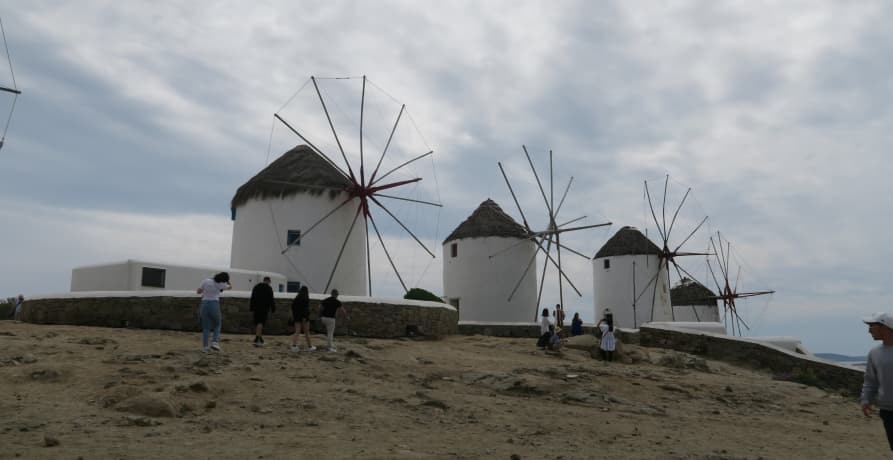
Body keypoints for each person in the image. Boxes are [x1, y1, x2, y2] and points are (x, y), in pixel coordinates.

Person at [860, 312, 893, 450]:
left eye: (871, 326)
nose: (869, 330)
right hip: (887, 410)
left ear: (884, 327)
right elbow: (870, 381)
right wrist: (866, 400)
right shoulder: (874, 353)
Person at [196, 272, 231, 353]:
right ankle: (215, 342)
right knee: (217, 323)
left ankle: (205, 347)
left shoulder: (206, 280)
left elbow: (198, 291)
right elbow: (230, 287)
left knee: (206, 327)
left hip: (204, 304)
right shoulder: (221, 284)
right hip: (214, 304)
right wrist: (228, 281)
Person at [249, 276, 275, 347]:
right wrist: (273, 308)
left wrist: (251, 308)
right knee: (261, 323)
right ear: (268, 281)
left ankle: (259, 337)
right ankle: (257, 338)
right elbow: (271, 299)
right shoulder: (269, 288)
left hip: (256, 308)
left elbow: (252, 297)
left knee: (257, 322)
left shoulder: (256, 287)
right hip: (264, 308)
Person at [290, 286, 316, 352]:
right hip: (304, 318)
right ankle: (309, 346)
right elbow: (305, 310)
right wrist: (304, 317)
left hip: (297, 317)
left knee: (297, 331)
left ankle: (294, 346)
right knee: (307, 333)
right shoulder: (306, 299)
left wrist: (295, 316)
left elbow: (293, 308)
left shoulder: (296, 299)